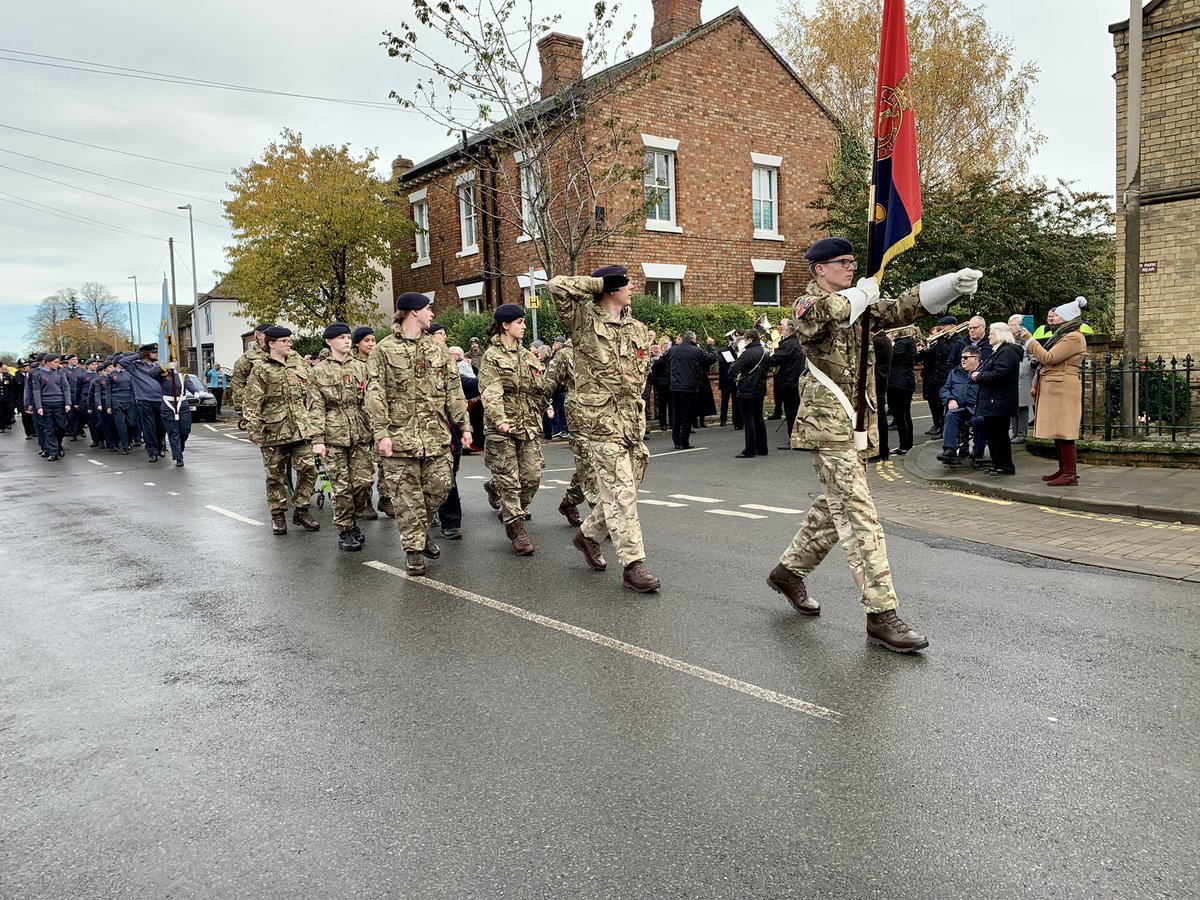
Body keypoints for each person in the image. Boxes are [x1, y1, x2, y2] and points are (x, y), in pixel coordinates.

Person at [766, 236, 982, 653]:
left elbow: (901, 308)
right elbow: (833, 311)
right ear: (820, 270)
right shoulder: (805, 305)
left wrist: (950, 285)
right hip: (826, 425)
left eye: (851, 262)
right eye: (842, 263)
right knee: (859, 515)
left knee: (834, 508)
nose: (850, 267)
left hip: (855, 423)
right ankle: (881, 614)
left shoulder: (857, 302)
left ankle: (788, 572)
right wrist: (860, 292)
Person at [547, 265, 660, 593]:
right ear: (611, 289)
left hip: (632, 424)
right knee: (622, 493)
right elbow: (556, 285)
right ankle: (633, 565)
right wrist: (597, 283)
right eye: (625, 285)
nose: (631, 290)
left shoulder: (637, 328)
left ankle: (587, 536)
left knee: (626, 490)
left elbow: (642, 371)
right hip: (600, 424)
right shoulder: (583, 323)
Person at [364, 292, 471, 576]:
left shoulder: (437, 351)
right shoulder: (383, 351)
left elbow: (454, 391)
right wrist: (381, 433)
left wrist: (465, 426)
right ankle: (413, 552)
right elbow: (375, 393)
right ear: (413, 312)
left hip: (435, 437)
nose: (432, 314)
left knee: (441, 487)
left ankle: (420, 535)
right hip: (398, 439)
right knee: (406, 499)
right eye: (428, 309)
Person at [479, 304, 550, 556]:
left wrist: (547, 406)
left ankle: (505, 502)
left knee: (531, 477)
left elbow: (538, 388)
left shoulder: (528, 356)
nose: (523, 326)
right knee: (510, 481)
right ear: (505, 325)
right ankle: (515, 527)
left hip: (528, 426)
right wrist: (499, 419)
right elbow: (490, 391)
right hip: (502, 429)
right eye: (519, 321)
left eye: (523, 321)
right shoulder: (492, 357)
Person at [241, 326, 321, 535]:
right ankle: (277, 514)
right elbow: (251, 403)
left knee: (309, 469)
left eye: (289, 340)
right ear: (271, 344)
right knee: (275, 475)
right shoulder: (262, 369)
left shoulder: (298, 364)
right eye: (284, 341)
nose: (289, 344)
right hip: (273, 430)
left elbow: (310, 393)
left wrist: (313, 422)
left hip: (300, 429)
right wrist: (255, 430)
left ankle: (301, 509)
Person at [309, 322, 373, 552]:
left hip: (361, 432)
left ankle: (353, 518)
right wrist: (317, 440)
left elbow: (372, 400)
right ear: (329, 341)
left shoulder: (361, 367)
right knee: (342, 487)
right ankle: (345, 529)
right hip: (333, 435)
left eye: (348, 337)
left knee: (364, 483)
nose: (347, 341)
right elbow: (316, 408)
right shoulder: (319, 371)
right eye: (342, 338)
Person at [1015, 297, 1089, 487]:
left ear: (1067, 318)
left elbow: (1049, 358)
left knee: (1064, 431)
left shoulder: (1074, 337)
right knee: (1058, 431)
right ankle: (1064, 470)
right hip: (1056, 386)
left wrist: (1030, 340)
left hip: (1062, 387)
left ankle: (1070, 473)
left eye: (1058, 316)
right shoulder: (1064, 335)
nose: (1053, 318)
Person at [351, 325, 393, 521]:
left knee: (387, 462)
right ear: (357, 343)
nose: (371, 344)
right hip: (360, 423)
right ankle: (364, 501)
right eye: (366, 340)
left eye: (373, 340)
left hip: (382, 421)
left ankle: (385, 498)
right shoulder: (351, 364)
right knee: (364, 468)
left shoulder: (380, 361)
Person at [969, 323, 1022, 476]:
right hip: (993, 401)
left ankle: (1005, 466)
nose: (989, 337)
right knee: (992, 435)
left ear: (999, 334)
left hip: (998, 401)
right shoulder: (999, 351)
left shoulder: (1007, 352)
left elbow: (1001, 374)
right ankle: (998, 464)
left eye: (991, 334)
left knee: (999, 435)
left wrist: (979, 376)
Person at [667, 331, 717, 450]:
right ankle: (684, 441)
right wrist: (711, 345)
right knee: (687, 415)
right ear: (693, 339)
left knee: (676, 414)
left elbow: (665, 359)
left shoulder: (673, 350)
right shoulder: (697, 351)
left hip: (675, 386)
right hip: (690, 387)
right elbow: (712, 358)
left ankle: (676, 441)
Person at [728, 327, 769, 458]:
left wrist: (739, 374)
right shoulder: (764, 352)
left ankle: (750, 449)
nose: (744, 342)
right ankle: (762, 448)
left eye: (745, 340)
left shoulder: (747, 353)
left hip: (747, 389)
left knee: (748, 420)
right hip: (760, 388)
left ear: (750, 340)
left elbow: (733, 370)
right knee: (759, 418)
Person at [936, 348, 981, 464]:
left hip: (976, 408)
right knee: (950, 416)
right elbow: (944, 389)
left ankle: (978, 451)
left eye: (965, 357)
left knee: (979, 420)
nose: (962, 360)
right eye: (961, 357)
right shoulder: (955, 373)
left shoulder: (983, 373)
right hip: (959, 407)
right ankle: (950, 450)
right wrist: (950, 399)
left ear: (976, 359)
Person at [767, 320, 805, 447]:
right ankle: (802, 438)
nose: (781, 332)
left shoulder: (787, 345)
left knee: (791, 413)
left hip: (789, 383)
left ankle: (793, 440)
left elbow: (774, 360)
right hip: (799, 381)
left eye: (783, 330)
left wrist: (767, 355)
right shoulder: (800, 343)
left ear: (788, 331)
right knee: (799, 412)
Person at [30, 352, 72, 461]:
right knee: (48, 429)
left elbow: (66, 388)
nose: (57, 364)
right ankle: (53, 452)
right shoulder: (38, 374)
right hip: (45, 404)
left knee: (61, 427)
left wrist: (68, 403)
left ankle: (58, 445)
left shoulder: (60, 373)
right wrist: (39, 406)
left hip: (59, 403)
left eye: (58, 362)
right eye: (55, 362)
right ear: (47, 363)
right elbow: (36, 391)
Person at [918, 317, 955, 435]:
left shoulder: (955, 339)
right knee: (935, 403)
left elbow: (946, 352)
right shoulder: (943, 340)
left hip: (945, 376)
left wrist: (939, 339)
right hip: (936, 376)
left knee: (942, 404)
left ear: (953, 326)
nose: (942, 328)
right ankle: (938, 425)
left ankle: (943, 427)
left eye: (945, 326)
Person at [886, 328, 917, 455]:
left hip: (898, 382)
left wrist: (890, 340)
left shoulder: (901, 345)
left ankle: (903, 445)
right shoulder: (911, 343)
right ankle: (908, 444)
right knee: (906, 414)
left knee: (900, 415)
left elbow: (889, 356)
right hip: (908, 381)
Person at [157, 364, 192, 467]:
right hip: (168, 405)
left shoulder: (182, 376)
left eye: (175, 360)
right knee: (173, 432)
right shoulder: (162, 376)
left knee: (185, 430)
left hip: (182, 405)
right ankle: (178, 457)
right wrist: (163, 366)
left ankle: (180, 445)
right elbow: (151, 373)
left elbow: (189, 385)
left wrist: (196, 392)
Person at [1006, 314, 1033, 443]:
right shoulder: (1009, 340)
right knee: (1013, 406)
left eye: (1012, 325)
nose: (1009, 327)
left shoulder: (1026, 339)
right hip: (1013, 375)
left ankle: (1022, 433)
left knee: (1022, 406)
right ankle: (1015, 432)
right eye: (1009, 325)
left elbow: (1033, 354)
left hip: (1024, 375)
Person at [869, 330, 893, 462]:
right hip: (880, 381)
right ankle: (882, 450)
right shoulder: (884, 339)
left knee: (878, 418)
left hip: (877, 381)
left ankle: (881, 451)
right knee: (879, 417)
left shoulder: (877, 341)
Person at [717, 330, 744, 429]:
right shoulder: (723, 350)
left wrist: (736, 350)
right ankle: (723, 419)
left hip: (735, 378)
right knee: (724, 400)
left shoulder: (741, 350)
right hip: (726, 378)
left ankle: (736, 420)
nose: (737, 338)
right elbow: (720, 361)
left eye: (739, 336)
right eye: (736, 336)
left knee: (736, 401)